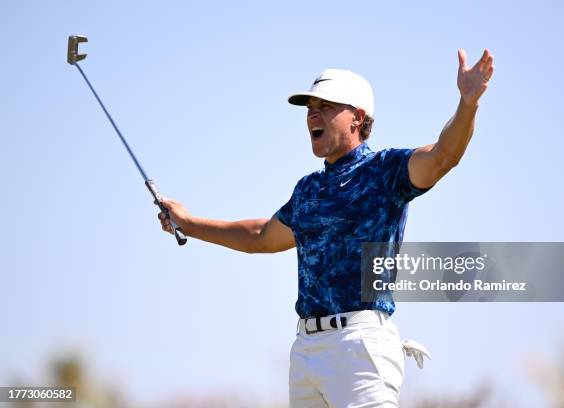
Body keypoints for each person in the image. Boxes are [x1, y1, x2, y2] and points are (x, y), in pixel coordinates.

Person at [158, 48, 494, 407]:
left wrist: (467, 104)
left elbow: (444, 155)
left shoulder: (385, 171)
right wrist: (188, 223)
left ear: (357, 118)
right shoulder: (309, 190)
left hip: (360, 346)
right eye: (310, 108)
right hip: (306, 351)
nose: (313, 114)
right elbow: (260, 236)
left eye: (327, 106)